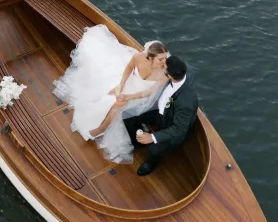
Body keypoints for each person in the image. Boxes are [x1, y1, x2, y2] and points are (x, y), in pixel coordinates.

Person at [53, 24, 169, 163]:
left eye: (165, 58)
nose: (164, 61)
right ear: (150, 58)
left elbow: (149, 91)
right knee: (110, 97)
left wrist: (129, 96)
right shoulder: (138, 57)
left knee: (118, 104)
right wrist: (120, 85)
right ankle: (101, 122)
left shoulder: (164, 73)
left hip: (143, 97)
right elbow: (128, 69)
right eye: (160, 59)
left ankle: (101, 128)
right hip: (129, 84)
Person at [124, 56, 199, 176]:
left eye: (165, 69)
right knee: (130, 116)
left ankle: (152, 163)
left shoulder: (185, 103)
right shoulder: (176, 77)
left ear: (170, 76)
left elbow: (179, 129)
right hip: (162, 113)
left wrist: (152, 137)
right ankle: (137, 142)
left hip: (171, 125)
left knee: (154, 149)